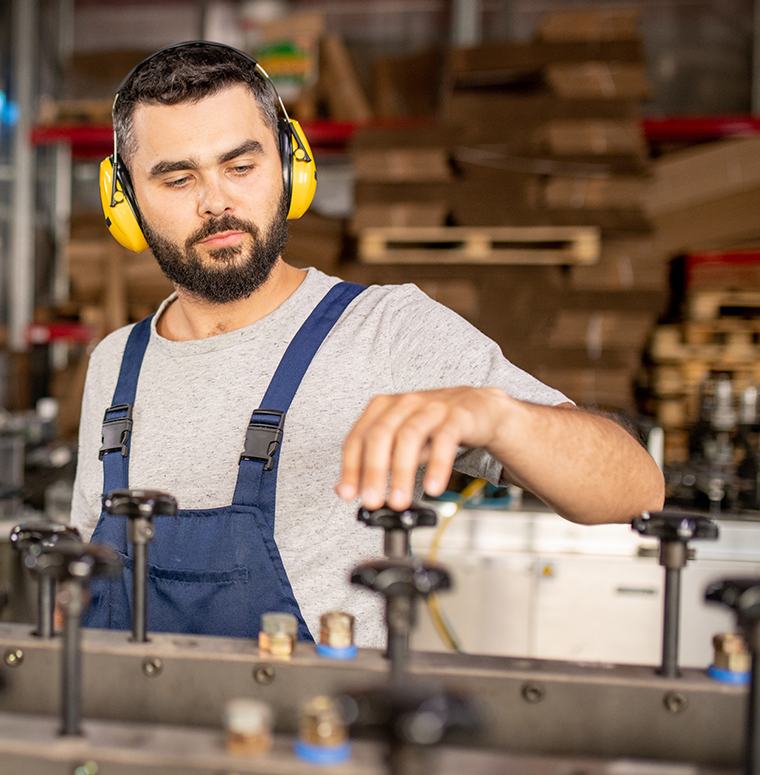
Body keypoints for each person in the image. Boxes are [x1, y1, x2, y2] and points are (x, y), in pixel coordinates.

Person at [70, 41, 664, 647]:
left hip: (318, 731)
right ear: (123, 199)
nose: (216, 201)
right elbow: (88, 580)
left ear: (291, 165)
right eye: (177, 178)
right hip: (132, 726)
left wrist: (497, 415)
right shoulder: (116, 363)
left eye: (241, 166)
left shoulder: (387, 330)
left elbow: (636, 489)